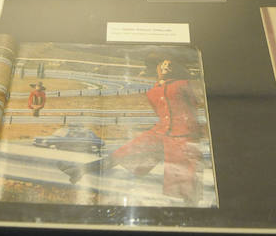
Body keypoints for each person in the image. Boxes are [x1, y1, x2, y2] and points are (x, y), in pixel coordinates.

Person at [58, 55, 202, 203]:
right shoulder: (154, 90)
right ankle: (80, 170)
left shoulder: (184, 84)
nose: (166, 67)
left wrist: (190, 131)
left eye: (170, 64)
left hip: (183, 135)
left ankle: (193, 212)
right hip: (160, 132)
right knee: (122, 153)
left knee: (185, 181)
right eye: (163, 64)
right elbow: (160, 111)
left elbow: (194, 104)